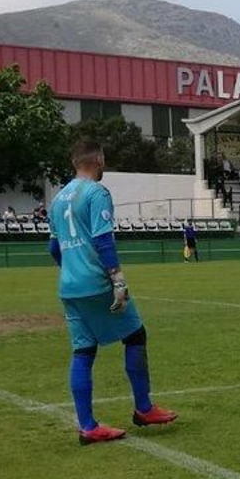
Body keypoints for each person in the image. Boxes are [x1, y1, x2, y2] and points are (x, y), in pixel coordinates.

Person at [47, 139, 177, 445]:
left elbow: (53, 247)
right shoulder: (96, 193)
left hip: (70, 286)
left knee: (83, 350)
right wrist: (117, 280)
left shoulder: (58, 199)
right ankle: (143, 408)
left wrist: (71, 271)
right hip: (96, 283)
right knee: (135, 335)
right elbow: (103, 240)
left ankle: (88, 426)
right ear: (99, 160)